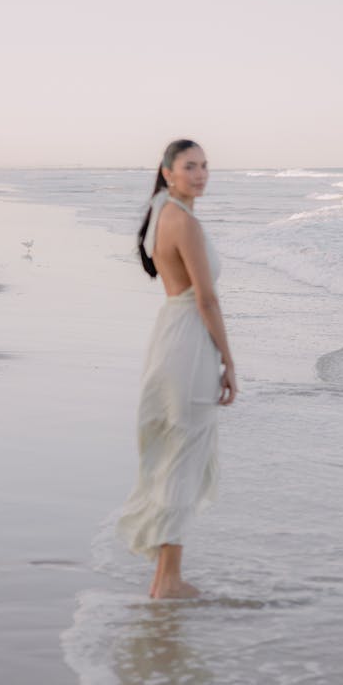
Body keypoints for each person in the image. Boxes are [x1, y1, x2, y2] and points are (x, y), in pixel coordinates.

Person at [117, 139, 237, 599]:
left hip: (172, 333)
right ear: (168, 172)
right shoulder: (181, 221)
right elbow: (206, 298)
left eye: (206, 166)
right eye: (191, 166)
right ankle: (168, 581)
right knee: (184, 457)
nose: (201, 174)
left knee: (175, 454)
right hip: (189, 340)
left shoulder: (161, 211)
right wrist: (228, 360)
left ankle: (163, 577)